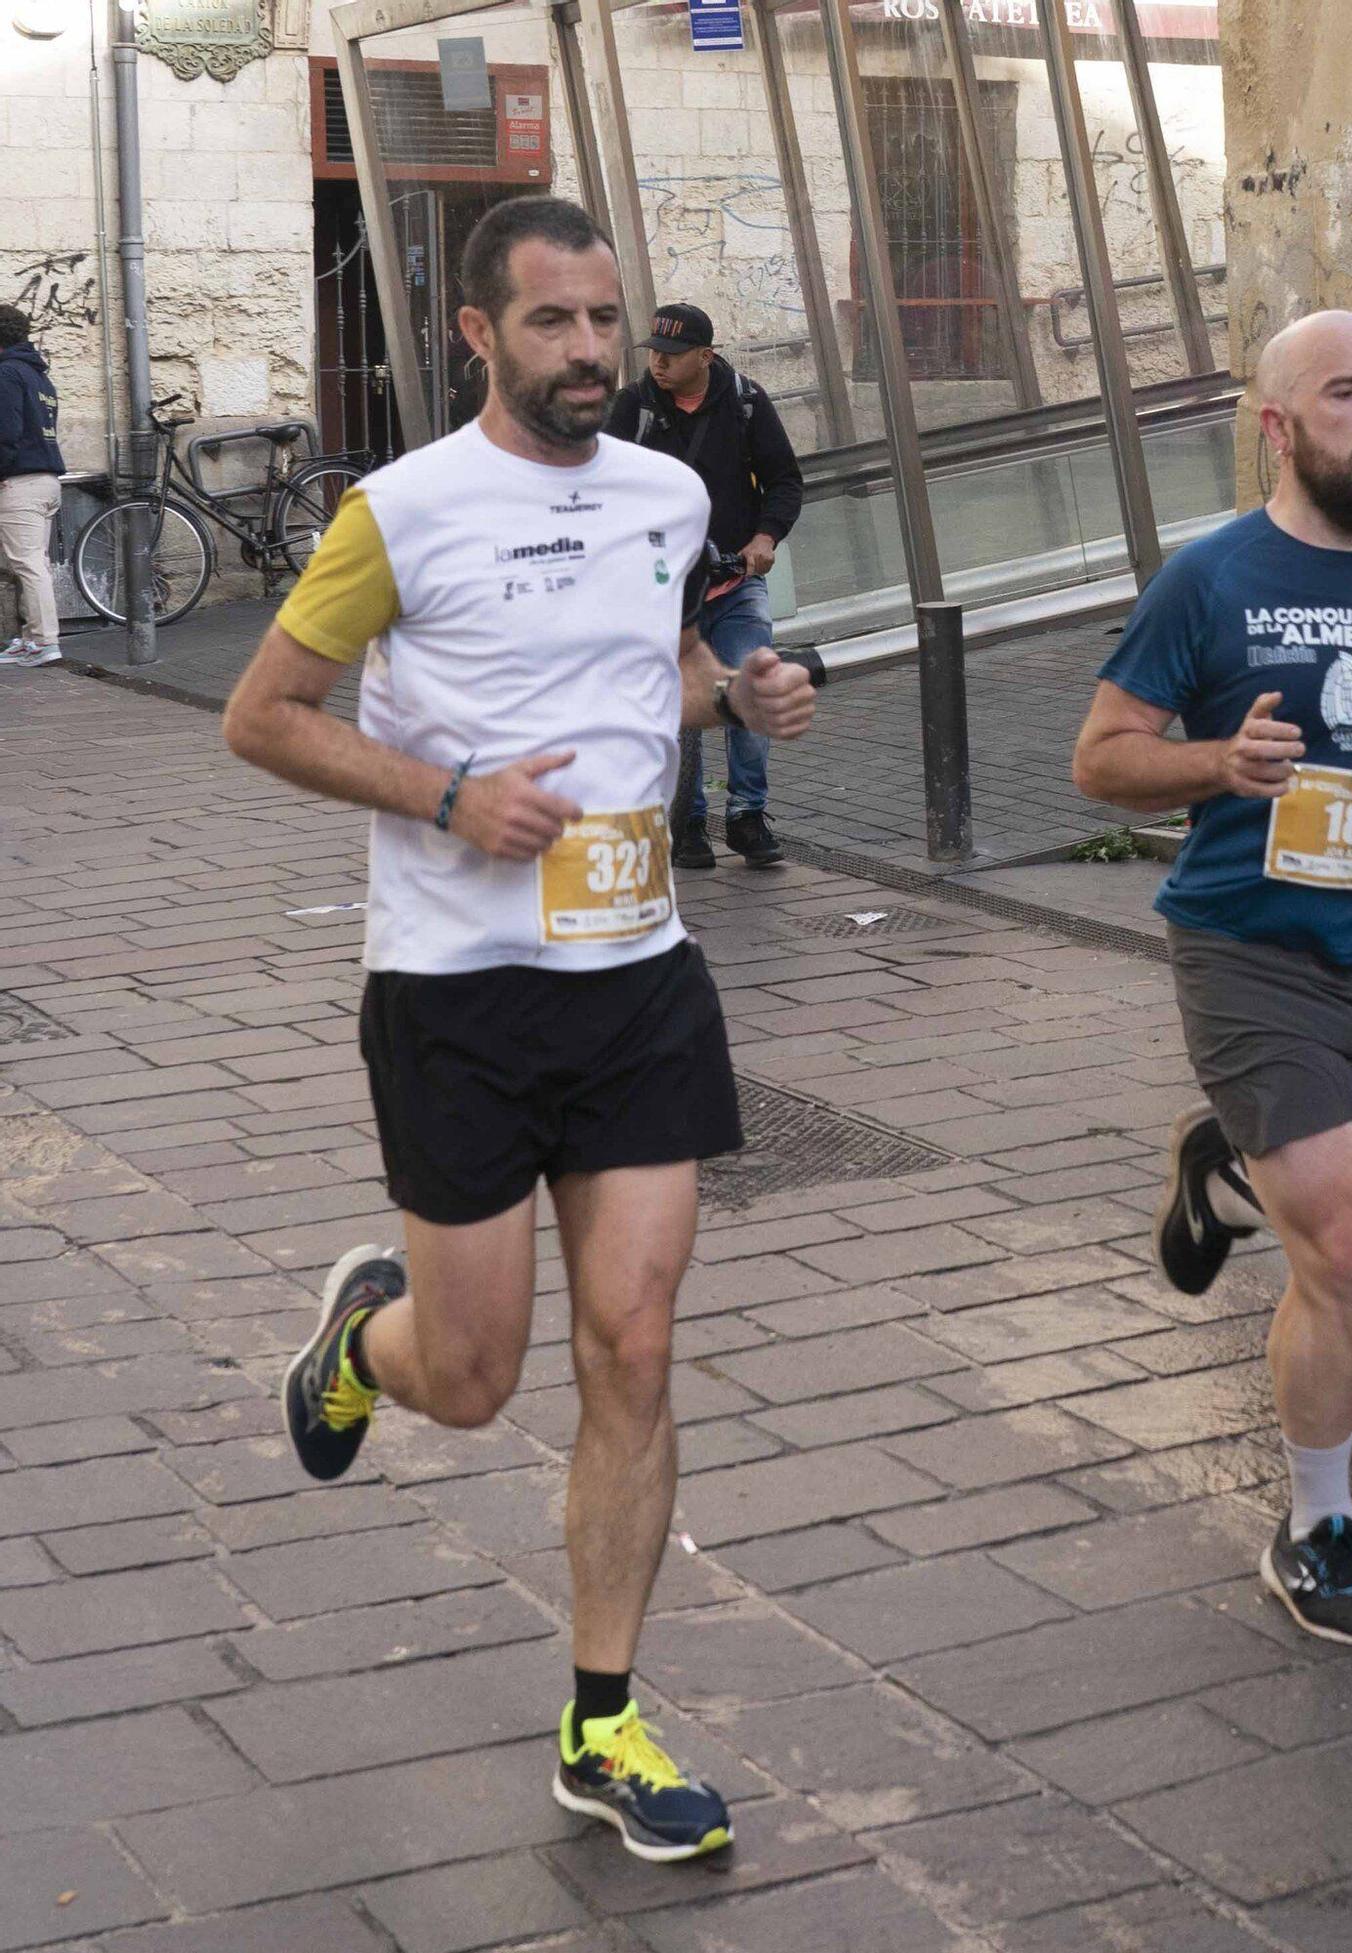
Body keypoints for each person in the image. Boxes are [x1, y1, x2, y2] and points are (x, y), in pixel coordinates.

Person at [221, 196, 817, 1864]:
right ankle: (365, 1340)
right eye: (552, 323)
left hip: (639, 977)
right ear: (479, 332)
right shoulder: (399, 514)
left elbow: (664, 663)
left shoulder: (670, 490)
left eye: (604, 321)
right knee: (473, 1380)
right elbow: (260, 715)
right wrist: (444, 794)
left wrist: (743, 693)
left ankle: (604, 1716)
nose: (586, 353)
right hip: (457, 992)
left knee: (633, 1341)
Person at [1071, 310, 1352, 1648]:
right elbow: (1101, 755)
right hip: (1251, 955)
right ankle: (1317, 1528)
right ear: (1277, 425)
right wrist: (1220, 766)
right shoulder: (1211, 581)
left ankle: (1221, 1165)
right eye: (1342, 395)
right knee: (1345, 1250)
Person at [606, 302, 803, 871]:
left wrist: (765, 537)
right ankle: (687, 824)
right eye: (654, 355)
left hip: (734, 584)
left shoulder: (746, 401)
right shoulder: (635, 407)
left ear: (705, 356)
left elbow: (784, 481)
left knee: (752, 686)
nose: (659, 366)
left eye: (671, 356)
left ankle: (746, 815)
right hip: (662, 587)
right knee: (678, 706)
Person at [0, 304, 67, 669]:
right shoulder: (40, 376)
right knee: (31, 562)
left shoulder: (7, 373)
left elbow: (6, 432)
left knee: (28, 564)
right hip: (45, 480)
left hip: (20, 482)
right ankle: (29, 640)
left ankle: (44, 642)